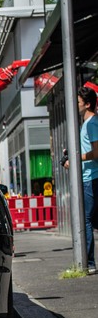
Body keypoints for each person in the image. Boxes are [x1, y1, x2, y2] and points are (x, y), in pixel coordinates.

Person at [64, 86, 98, 274]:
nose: (75, 105)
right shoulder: (87, 123)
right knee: (92, 220)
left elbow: (97, 152)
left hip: (91, 178)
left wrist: (75, 159)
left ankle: (88, 264)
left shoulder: (92, 123)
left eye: (77, 102)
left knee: (85, 219)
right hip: (89, 177)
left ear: (87, 104)